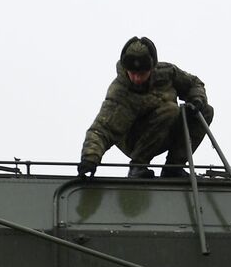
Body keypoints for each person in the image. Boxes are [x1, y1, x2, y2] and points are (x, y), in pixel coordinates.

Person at [80, 36, 213, 179]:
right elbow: (101, 129)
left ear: (152, 68)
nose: (137, 78)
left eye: (142, 73)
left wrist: (196, 99)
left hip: (164, 130)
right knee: (170, 110)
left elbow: (194, 83)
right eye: (133, 73)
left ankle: (174, 167)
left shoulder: (166, 73)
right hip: (133, 140)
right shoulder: (120, 93)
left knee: (206, 110)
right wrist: (90, 157)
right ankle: (138, 166)